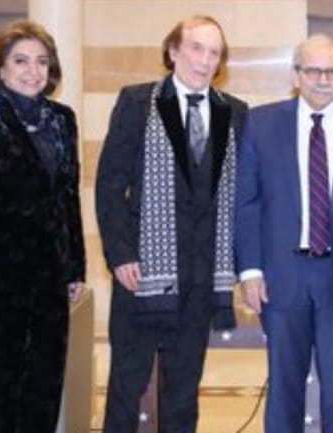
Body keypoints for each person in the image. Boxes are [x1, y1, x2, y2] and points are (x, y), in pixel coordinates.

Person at [95, 15, 247, 433]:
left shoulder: (235, 112)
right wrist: (120, 253)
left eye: (214, 52)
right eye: (196, 48)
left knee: (183, 392)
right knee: (126, 386)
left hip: (200, 277)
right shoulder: (136, 102)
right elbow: (111, 184)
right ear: (173, 51)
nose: (205, 60)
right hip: (141, 273)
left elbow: (239, 198)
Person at [235, 34, 333, 433]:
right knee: (283, 388)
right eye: (314, 70)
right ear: (296, 75)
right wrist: (249, 270)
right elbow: (247, 202)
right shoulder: (260, 124)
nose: (324, 79)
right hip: (281, 276)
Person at [0, 19, 86, 433]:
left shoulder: (62, 119)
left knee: (43, 396)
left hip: (49, 284)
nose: (33, 70)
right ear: (0, 69)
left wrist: (74, 267)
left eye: (42, 61)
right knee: (0, 401)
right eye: (21, 61)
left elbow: (68, 198)